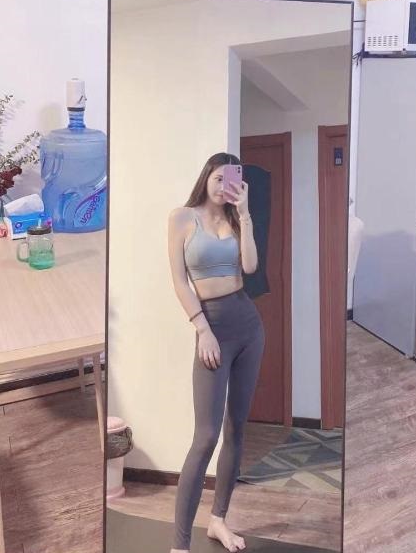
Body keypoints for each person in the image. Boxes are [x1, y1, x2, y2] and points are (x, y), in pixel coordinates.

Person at [168, 152, 264, 553]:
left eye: (231, 179)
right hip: (213, 329)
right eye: (218, 177)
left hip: (249, 327)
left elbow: (250, 267)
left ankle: (218, 520)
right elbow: (179, 281)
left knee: (236, 428)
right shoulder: (182, 218)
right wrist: (202, 329)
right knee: (205, 436)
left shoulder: (236, 219)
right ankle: (179, 546)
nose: (224, 185)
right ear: (206, 176)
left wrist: (245, 215)